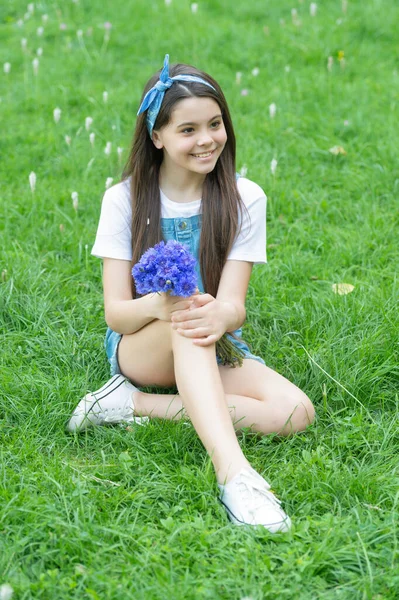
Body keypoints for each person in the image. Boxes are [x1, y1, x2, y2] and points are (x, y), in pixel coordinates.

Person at [67, 54, 315, 533]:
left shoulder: (246, 197)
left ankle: (130, 405)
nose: (206, 140)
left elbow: (233, 304)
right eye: (188, 130)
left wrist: (219, 316)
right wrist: (162, 304)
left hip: (214, 338)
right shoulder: (123, 200)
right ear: (156, 136)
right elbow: (117, 315)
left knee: (294, 411)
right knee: (184, 320)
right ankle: (235, 475)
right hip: (145, 345)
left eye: (215, 123)